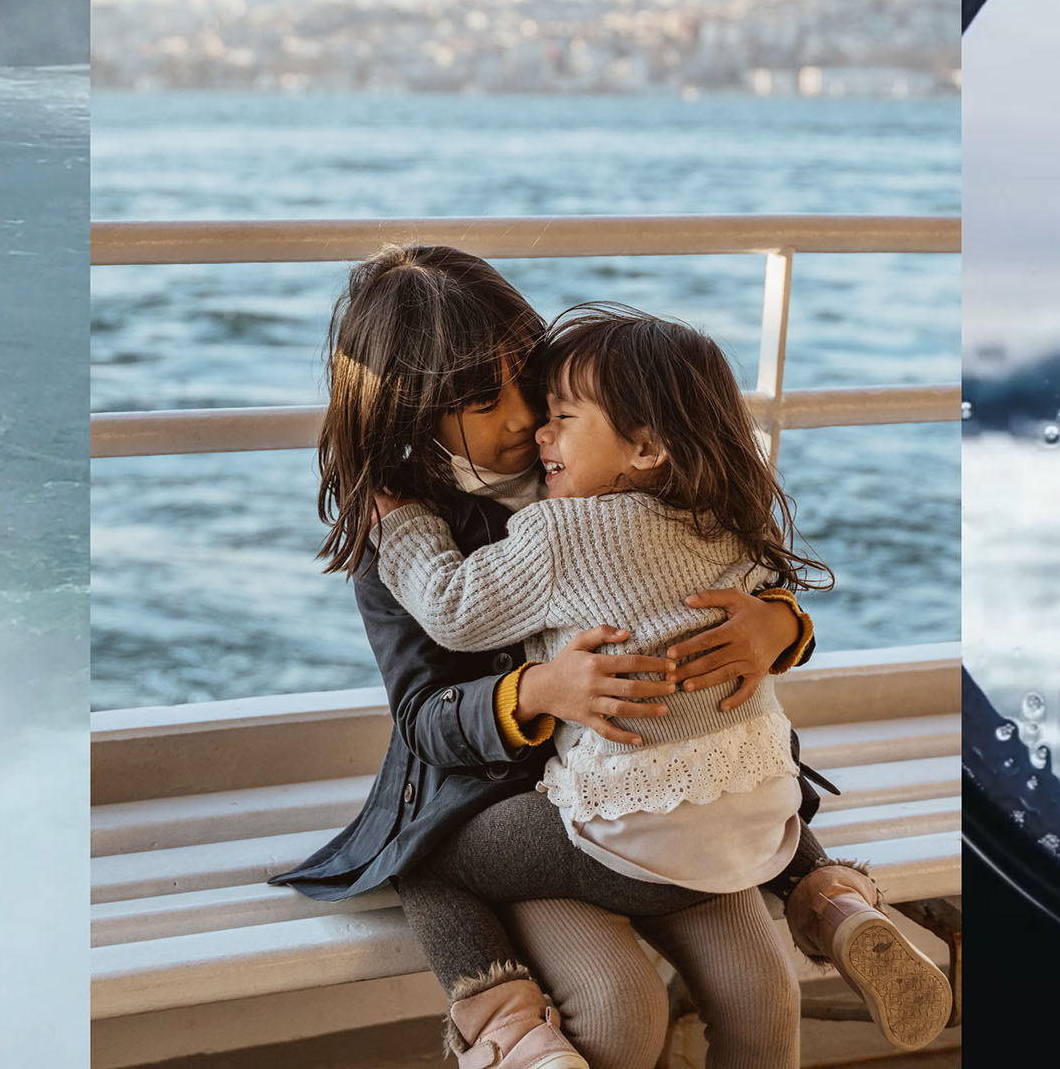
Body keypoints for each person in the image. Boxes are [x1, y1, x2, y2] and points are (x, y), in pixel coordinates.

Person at [272, 246, 829, 1069]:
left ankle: (825, 892)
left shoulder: (587, 462)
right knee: (620, 1009)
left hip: (622, 794)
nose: (524, 418)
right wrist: (534, 690)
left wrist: (778, 626)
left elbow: (716, 568)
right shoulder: (404, 533)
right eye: (478, 397)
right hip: (505, 802)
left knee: (763, 989)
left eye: (529, 382)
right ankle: (828, 901)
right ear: (407, 408)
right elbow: (423, 718)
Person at [369, 302, 950, 1066]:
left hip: (624, 837)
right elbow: (772, 594)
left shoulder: (562, 530)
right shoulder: (723, 516)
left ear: (644, 446)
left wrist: (403, 528)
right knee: (761, 1002)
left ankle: (506, 1029)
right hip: (753, 821)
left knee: (421, 852)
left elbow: (451, 607)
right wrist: (782, 623)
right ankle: (831, 902)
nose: (538, 430)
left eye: (559, 416)